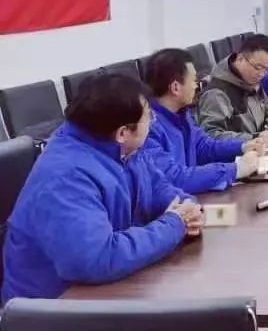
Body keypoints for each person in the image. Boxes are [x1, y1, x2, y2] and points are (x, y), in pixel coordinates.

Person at [1, 74, 202, 303]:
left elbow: (159, 188)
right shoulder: (65, 177)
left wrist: (188, 209)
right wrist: (174, 225)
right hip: (51, 308)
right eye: (150, 117)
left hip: (104, 292)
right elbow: (96, 259)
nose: (153, 122)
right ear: (123, 133)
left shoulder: (125, 150)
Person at [143, 49, 268, 194]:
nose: (196, 86)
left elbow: (203, 147)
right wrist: (235, 169)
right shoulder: (148, 127)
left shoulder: (181, 114)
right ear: (175, 87)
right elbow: (174, 178)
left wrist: (242, 146)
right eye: (194, 81)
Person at [198, 34, 268, 141]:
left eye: (267, 69)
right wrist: (255, 138)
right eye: (257, 67)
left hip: (261, 147)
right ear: (240, 59)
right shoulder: (217, 93)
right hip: (240, 150)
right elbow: (211, 136)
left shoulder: (252, 81)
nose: (261, 74)